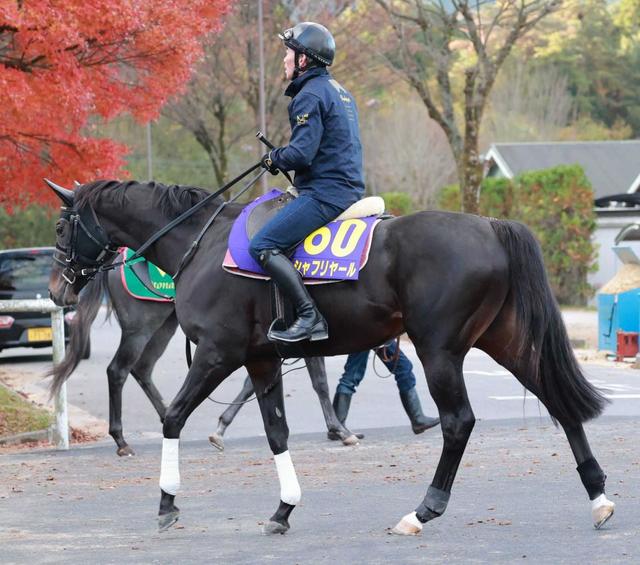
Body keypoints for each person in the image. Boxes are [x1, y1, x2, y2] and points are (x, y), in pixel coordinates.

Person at [249, 22, 364, 344]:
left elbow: (301, 153)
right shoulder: (340, 92)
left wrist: (275, 159)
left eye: (288, 53)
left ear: (303, 60)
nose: (284, 59)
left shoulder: (309, 95)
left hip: (326, 192)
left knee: (262, 244)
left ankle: (308, 315)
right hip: (347, 186)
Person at [328, 340, 440, 440]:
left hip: (369, 331)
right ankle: (417, 418)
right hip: (372, 331)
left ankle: (337, 426)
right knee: (402, 367)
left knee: (352, 375)